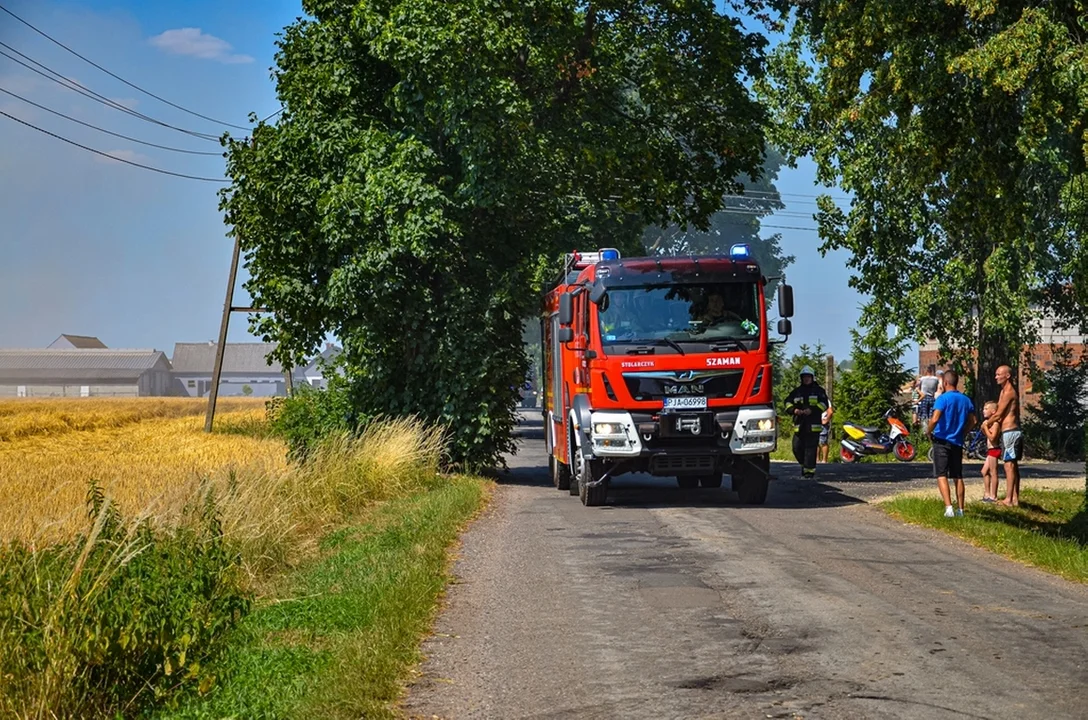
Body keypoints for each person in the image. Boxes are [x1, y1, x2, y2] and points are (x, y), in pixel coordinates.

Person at [927, 369, 976, 518]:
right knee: (957, 476)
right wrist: (964, 431)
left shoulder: (942, 399)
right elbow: (974, 421)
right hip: (957, 441)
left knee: (941, 474)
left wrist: (928, 431)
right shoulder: (965, 400)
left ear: (945, 382)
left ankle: (948, 508)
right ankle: (961, 509)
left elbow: (935, 418)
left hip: (942, 439)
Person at [983, 365, 1022, 506]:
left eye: (999, 374)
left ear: (1007, 376)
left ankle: (1009, 499)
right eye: (996, 374)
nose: (996, 377)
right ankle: (1015, 498)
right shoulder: (1002, 392)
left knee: (1009, 465)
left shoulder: (1009, 392)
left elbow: (998, 414)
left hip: (1010, 432)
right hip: (1007, 432)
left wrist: (986, 424)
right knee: (1012, 465)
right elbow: (999, 412)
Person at [784, 366, 829, 478]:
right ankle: (804, 465)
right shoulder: (797, 391)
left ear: (812, 378)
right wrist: (794, 410)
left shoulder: (819, 391)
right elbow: (787, 402)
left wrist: (812, 410)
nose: (806, 379)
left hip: (813, 425)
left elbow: (824, 404)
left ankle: (809, 473)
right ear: (801, 378)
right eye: (804, 377)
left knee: (810, 449)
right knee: (796, 447)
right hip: (800, 425)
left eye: (808, 377)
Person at [980, 401, 1002, 502]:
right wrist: (984, 428)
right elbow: (987, 434)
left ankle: (994, 496)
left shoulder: (996, 424)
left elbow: (992, 438)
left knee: (993, 472)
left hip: (994, 449)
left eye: (986, 409)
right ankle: (987, 493)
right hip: (990, 450)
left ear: (993, 411)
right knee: (984, 471)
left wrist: (985, 428)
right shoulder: (990, 423)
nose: (983, 411)